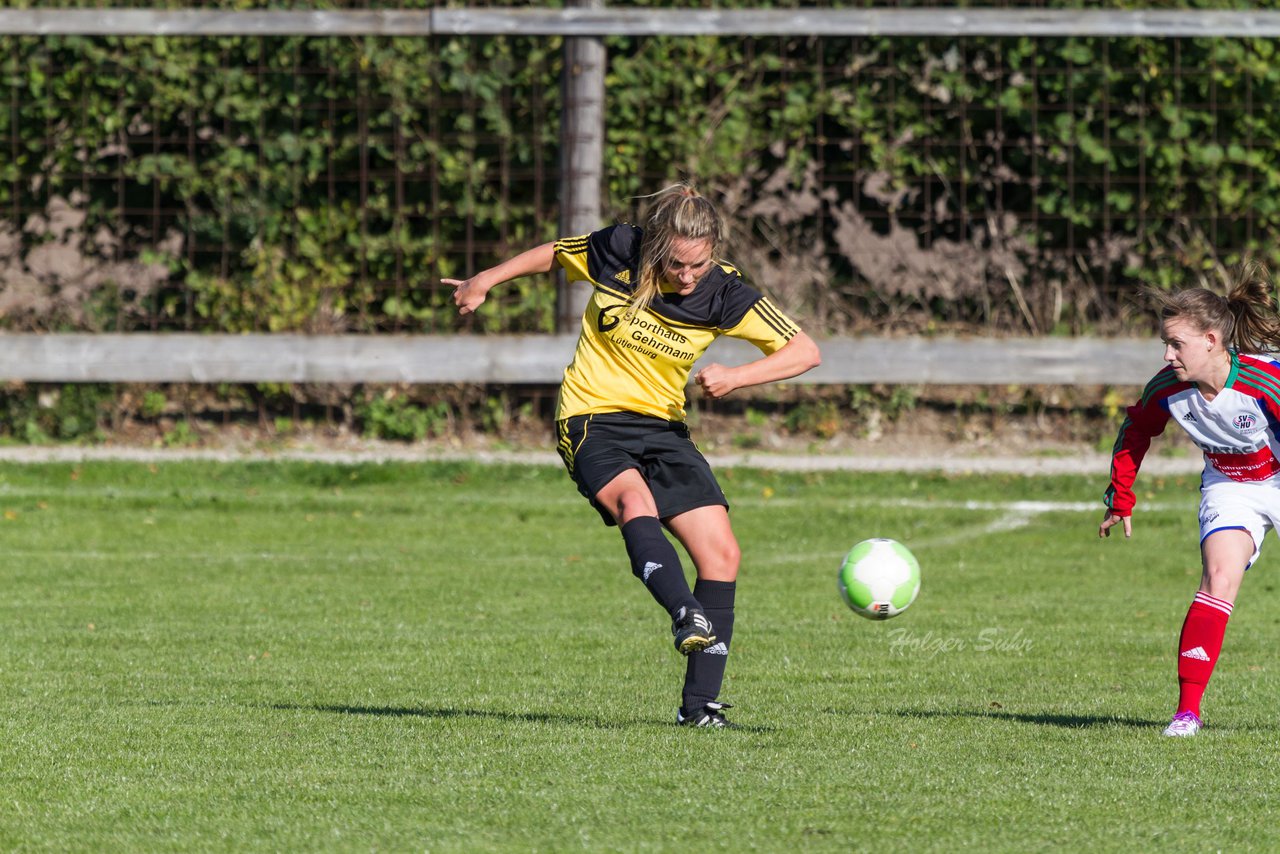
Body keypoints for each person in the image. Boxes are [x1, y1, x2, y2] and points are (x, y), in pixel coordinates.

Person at [445, 184, 822, 727]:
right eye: (676, 264)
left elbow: (805, 352)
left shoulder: (724, 292)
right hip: (591, 418)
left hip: (664, 429)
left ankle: (700, 710)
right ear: (655, 248)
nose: (688, 275)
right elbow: (553, 253)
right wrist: (485, 279)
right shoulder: (619, 247)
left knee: (722, 554)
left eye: (699, 264)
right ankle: (683, 612)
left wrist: (739, 377)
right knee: (633, 502)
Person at [1099, 262, 1280, 737]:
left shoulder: (1265, 383)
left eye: (1176, 343)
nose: (1167, 353)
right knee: (1218, 578)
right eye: (1165, 342)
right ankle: (1187, 713)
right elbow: (1134, 431)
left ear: (1211, 341)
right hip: (1230, 486)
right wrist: (1121, 498)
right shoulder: (1168, 389)